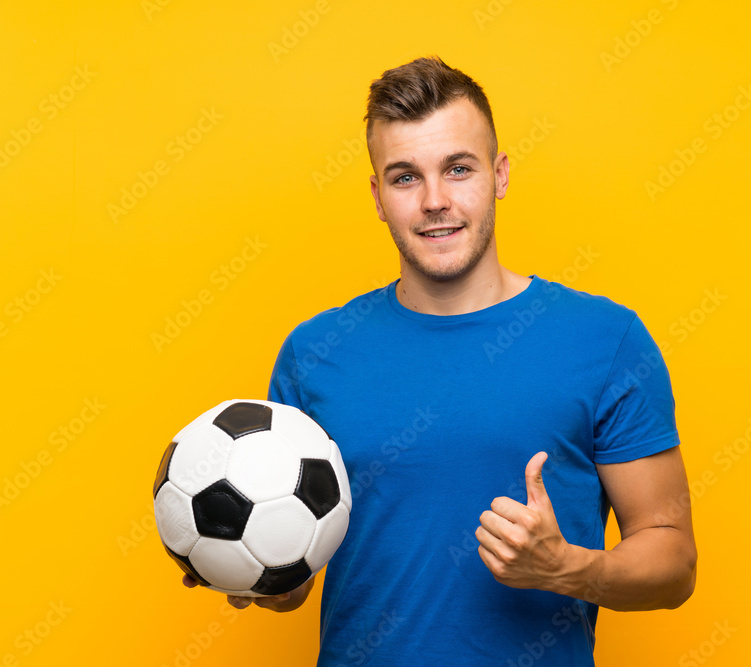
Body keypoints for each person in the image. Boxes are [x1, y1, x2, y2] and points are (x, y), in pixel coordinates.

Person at [185, 56, 696, 665]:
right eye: (405, 177)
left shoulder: (606, 340)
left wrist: (566, 568)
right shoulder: (314, 353)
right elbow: (298, 575)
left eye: (458, 169)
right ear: (378, 197)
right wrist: (246, 565)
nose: (434, 200)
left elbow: (674, 563)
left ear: (500, 175)